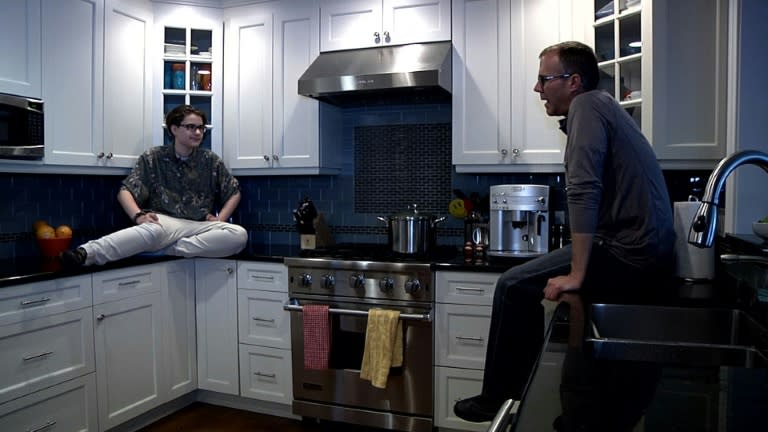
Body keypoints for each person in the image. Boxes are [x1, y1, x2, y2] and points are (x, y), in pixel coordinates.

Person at [453, 41, 675, 423]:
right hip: (642, 253)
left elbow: (583, 190)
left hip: (628, 253)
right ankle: (523, 396)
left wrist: (577, 273)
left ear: (573, 82)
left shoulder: (588, 106)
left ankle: (499, 397)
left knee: (512, 285)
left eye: (544, 79)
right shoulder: (602, 107)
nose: (537, 89)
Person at [60, 104, 248, 267]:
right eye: (191, 127)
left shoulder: (210, 160)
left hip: (199, 226)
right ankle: (85, 254)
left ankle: (166, 249)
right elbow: (125, 192)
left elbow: (234, 191)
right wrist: (139, 216)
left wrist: (219, 219)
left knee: (238, 235)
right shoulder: (153, 157)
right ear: (174, 129)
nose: (198, 132)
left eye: (201, 128)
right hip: (164, 223)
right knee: (150, 231)